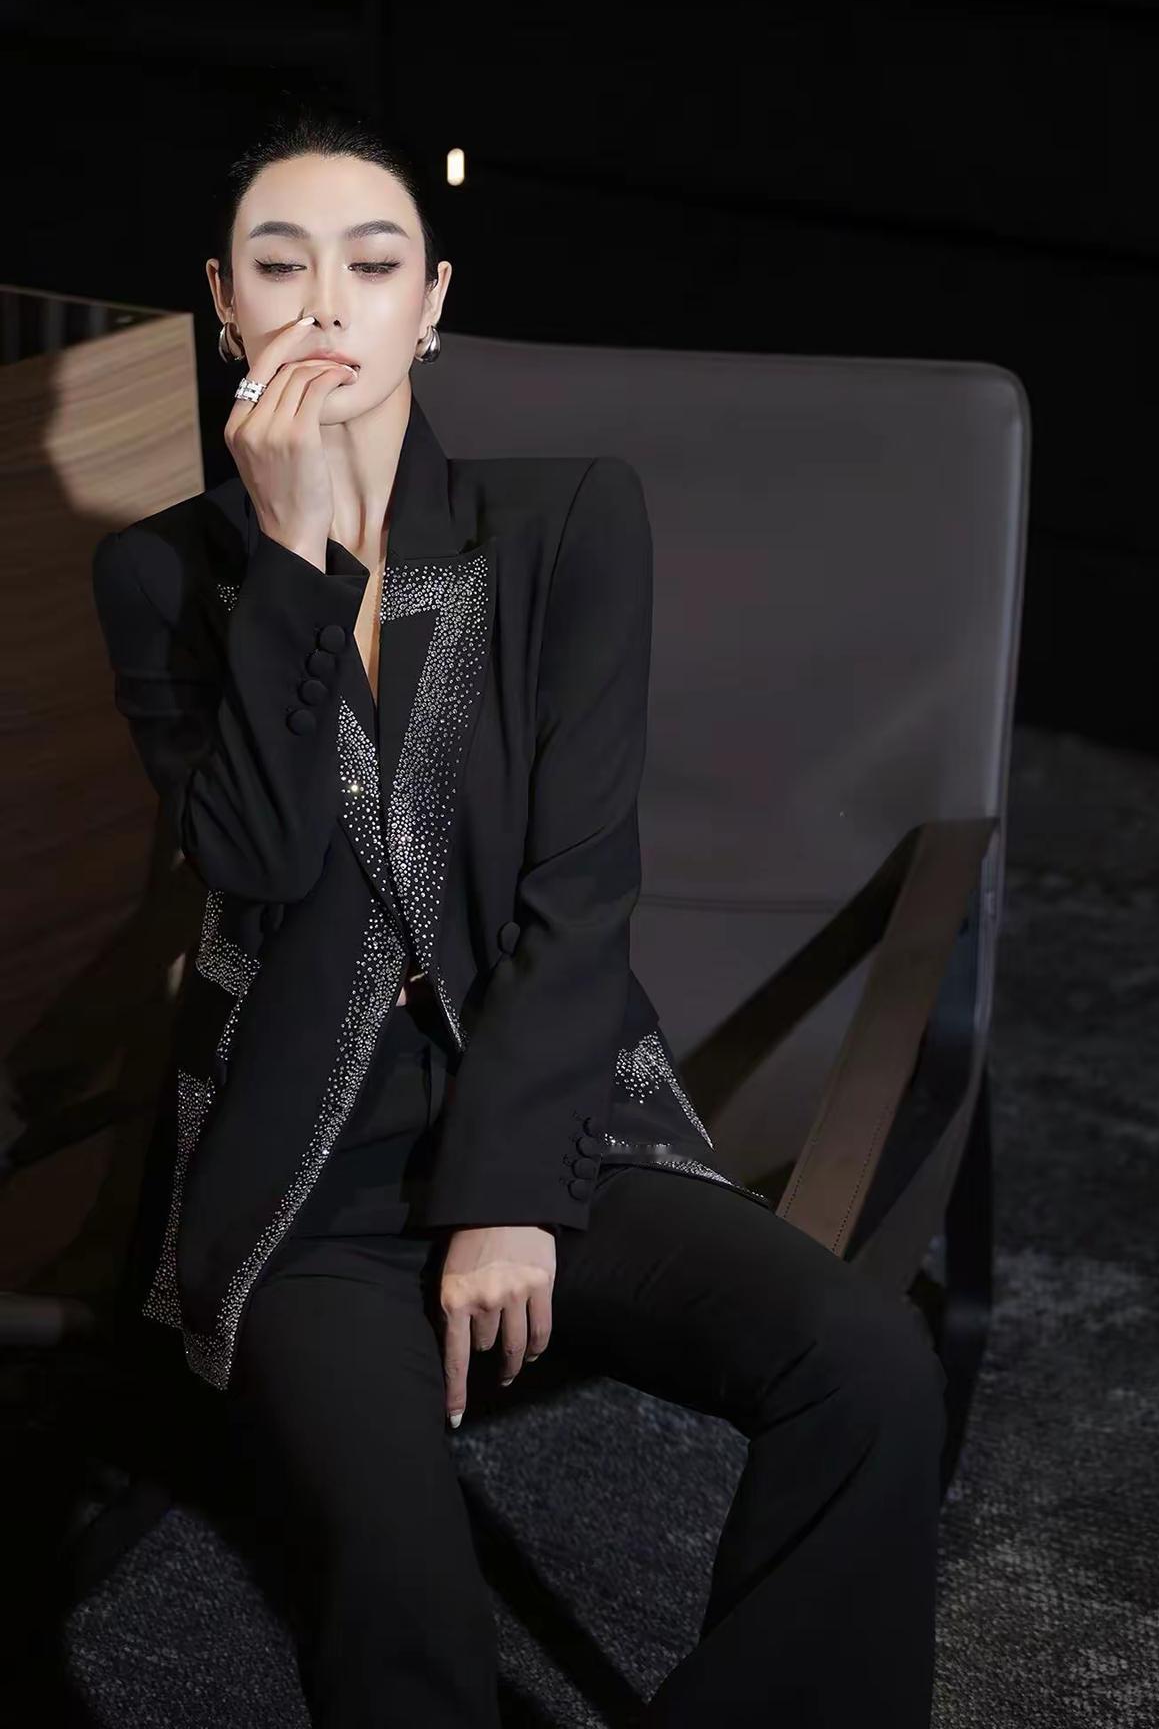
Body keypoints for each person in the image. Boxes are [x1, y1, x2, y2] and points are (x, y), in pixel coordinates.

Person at [91, 102, 948, 1727]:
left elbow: (581, 882)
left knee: (866, 1368)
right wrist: (293, 552)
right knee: (402, 1600)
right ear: (222, 303)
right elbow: (260, 860)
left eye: (373, 264)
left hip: (558, 1121)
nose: (326, 304)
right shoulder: (159, 578)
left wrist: (504, 1194)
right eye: (280, 265)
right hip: (305, 1186)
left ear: (433, 302)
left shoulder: (563, 525)